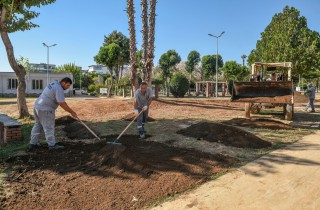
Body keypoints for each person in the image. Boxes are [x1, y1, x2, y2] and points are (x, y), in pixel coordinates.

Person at [29, 77, 78, 150]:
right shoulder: (59, 88)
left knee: (38, 125)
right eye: (67, 85)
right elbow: (61, 103)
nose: (68, 88)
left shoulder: (54, 84)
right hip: (46, 109)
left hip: (37, 106)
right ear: (63, 83)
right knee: (49, 127)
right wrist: (72, 112)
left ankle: (33, 143)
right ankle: (52, 145)